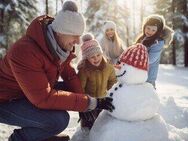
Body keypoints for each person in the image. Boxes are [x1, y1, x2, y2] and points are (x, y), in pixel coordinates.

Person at [0, 1, 114, 141]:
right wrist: (88, 103)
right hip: (6, 100)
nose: (78, 42)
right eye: (75, 35)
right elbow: (43, 98)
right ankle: (20, 138)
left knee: (74, 88)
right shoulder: (24, 52)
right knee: (58, 120)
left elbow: (70, 76)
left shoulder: (59, 46)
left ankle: (42, 134)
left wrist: (83, 102)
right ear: (60, 31)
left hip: (28, 92)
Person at [77, 33, 117, 131]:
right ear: (86, 58)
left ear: (101, 53)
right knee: (88, 124)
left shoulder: (108, 67)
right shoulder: (84, 70)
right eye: (92, 57)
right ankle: (85, 134)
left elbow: (112, 81)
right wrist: (82, 105)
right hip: (89, 102)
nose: (96, 58)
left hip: (103, 101)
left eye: (98, 55)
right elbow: (80, 88)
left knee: (101, 124)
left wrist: (111, 93)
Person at [135, 14, 173, 88]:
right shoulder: (142, 38)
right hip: (138, 74)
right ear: (144, 26)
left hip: (148, 77)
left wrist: (134, 60)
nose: (149, 31)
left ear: (158, 31)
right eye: (148, 28)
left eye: (153, 30)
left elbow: (150, 59)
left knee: (148, 97)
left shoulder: (158, 42)